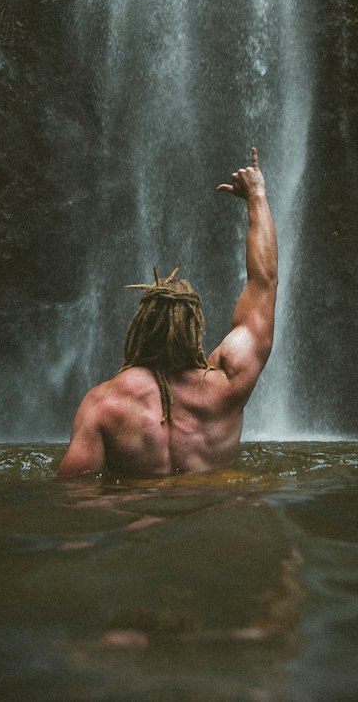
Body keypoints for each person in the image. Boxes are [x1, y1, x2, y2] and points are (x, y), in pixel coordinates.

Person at [57, 147, 278, 479]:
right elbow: (264, 283)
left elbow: (75, 494)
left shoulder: (104, 404)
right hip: (210, 518)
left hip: (142, 523)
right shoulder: (228, 383)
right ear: (195, 326)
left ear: (141, 326)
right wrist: (257, 197)